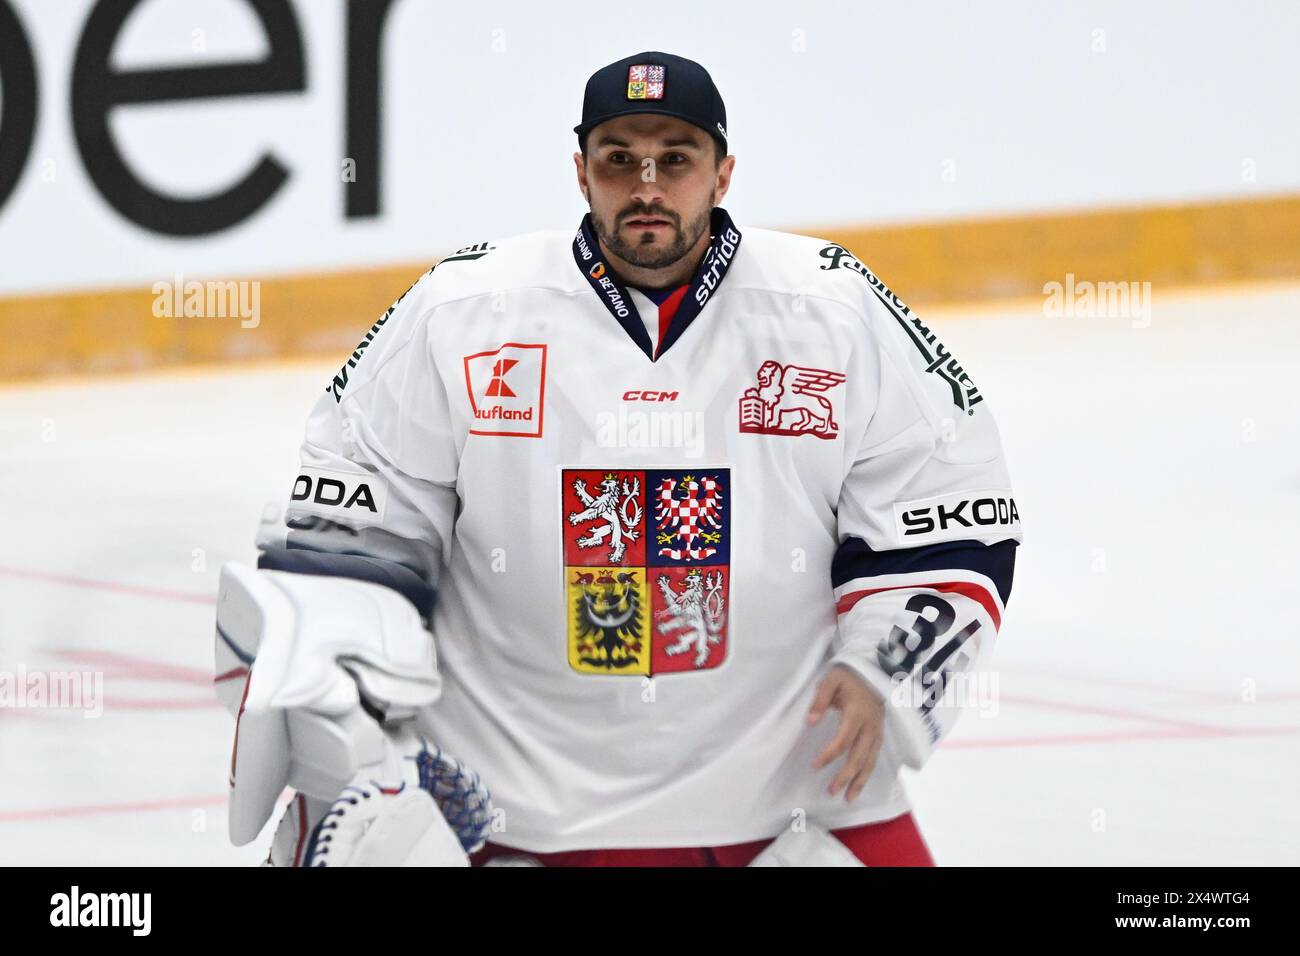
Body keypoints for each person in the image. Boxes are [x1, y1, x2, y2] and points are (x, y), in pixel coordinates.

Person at [213, 51, 1021, 867]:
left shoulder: (832, 307)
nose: (647, 186)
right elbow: (358, 516)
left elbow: (947, 504)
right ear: (581, 172)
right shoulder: (462, 310)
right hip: (515, 814)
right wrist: (348, 716)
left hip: (794, 805)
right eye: (619, 160)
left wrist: (886, 668)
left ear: (722, 174)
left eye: (675, 159)